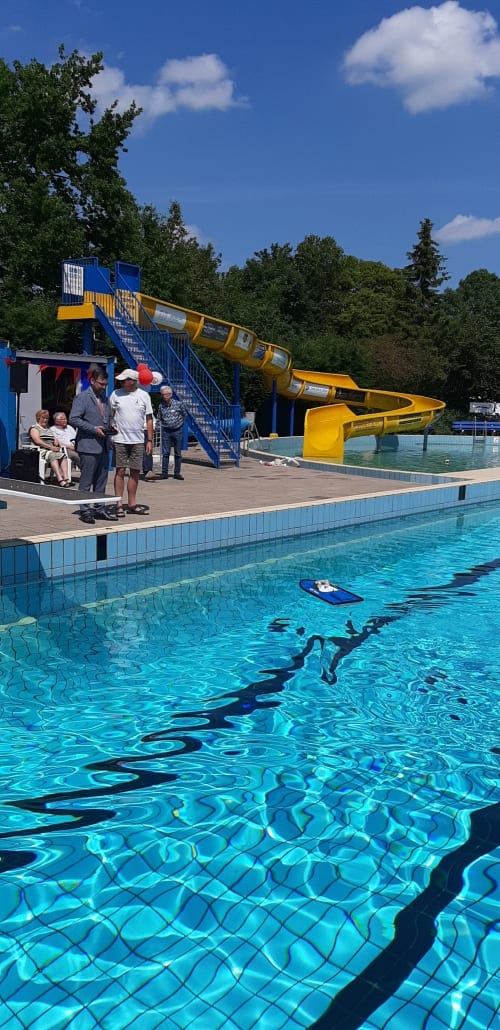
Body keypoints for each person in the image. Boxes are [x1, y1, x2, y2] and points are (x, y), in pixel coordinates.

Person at [70, 367, 117, 524]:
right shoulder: (82, 398)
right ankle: (84, 510)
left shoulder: (105, 399)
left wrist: (112, 425)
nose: (103, 387)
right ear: (92, 381)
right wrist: (93, 429)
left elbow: (109, 417)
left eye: (105, 384)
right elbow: (74, 419)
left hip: (104, 445)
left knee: (101, 480)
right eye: (101, 384)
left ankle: (99, 509)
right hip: (88, 446)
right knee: (86, 480)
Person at [109, 369, 153, 515]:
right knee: (120, 470)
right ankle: (118, 503)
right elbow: (110, 415)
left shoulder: (144, 395)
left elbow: (149, 419)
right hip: (120, 439)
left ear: (133, 381)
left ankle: (132, 504)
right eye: (121, 381)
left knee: (135, 471)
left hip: (138, 440)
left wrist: (150, 440)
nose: (121, 383)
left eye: (124, 380)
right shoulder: (115, 394)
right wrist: (111, 430)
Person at [29, 410, 71, 486]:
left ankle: (66, 478)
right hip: (39, 450)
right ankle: (60, 479)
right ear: (38, 418)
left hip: (50, 449)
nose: (45, 420)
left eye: (47, 418)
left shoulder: (48, 429)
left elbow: (54, 439)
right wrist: (51, 447)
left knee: (63, 456)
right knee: (52, 455)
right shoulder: (34, 428)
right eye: (43, 418)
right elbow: (37, 441)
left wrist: (56, 441)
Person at [158, 385, 187, 480]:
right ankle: (164, 473)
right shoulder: (161, 406)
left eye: (167, 394)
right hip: (166, 432)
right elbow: (159, 418)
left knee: (178, 453)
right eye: (163, 394)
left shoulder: (179, 404)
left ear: (171, 394)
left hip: (177, 431)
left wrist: (179, 424)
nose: (165, 396)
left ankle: (177, 473)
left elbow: (184, 415)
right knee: (165, 453)